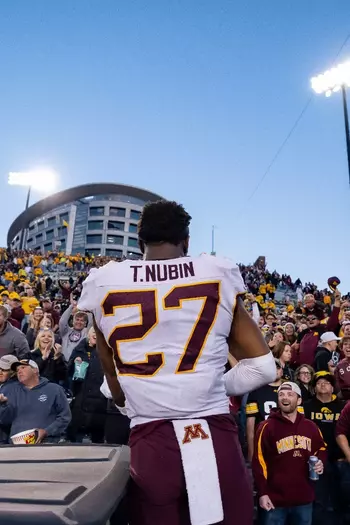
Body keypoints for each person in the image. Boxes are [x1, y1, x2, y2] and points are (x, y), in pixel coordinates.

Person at [78, 199, 276, 525]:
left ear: (140, 242)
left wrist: (143, 394)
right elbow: (264, 367)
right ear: (186, 241)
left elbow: (111, 379)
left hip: (150, 442)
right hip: (212, 433)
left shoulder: (104, 281)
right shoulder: (214, 272)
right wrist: (208, 385)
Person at [253, 382, 327, 525]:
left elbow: (322, 448)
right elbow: (259, 461)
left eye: (289, 394)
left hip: (304, 499)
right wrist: (262, 493)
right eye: (281, 394)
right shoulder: (266, 427)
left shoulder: (310, 426)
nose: (284, 398)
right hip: (275, 500)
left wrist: (320, 462)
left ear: (299, 400)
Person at [0, 359, 71, 443]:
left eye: (23, 367)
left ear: (35, 370)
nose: (19, 371)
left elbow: (65, 417)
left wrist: (46, 432)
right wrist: (3, 405)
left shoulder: (54, 390)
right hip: (17, 444)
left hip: (45, 443)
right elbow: (5, 421)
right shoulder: (12, 390)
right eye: (18, 370)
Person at [246, 359, 283, 461]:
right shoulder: (256, 391)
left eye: (277, 367)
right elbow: (250, 424)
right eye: (271, 367)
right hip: (264, 440)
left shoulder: (290, 389)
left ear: (282, 370)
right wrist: (251, 452)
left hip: (287, 440)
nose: (275, 370)